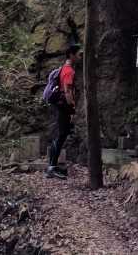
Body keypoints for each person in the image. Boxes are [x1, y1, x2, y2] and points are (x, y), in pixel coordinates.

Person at [46, 43, 80, 179]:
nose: (80, 57)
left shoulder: (64, 69)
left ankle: (52, 166)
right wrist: (72, 109)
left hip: (60, 105)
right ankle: (51, 167)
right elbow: (67, 91)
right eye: (79, 54)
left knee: (61, 135)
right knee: (61, 135)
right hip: (63, 106)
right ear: (71, 55)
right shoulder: (69, 71)